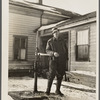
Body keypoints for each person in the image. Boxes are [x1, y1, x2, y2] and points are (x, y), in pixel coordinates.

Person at [45, 27, 68, 96]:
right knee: (51, 75)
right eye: (55, 32)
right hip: (53, 61)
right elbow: (47, 51)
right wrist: (53, 53)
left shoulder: (62, 41)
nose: (56, 33)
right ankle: (47, 91)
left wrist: (66, 59)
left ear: (59, 32)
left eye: (57, 32)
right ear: (53, 33)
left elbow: (66, 51)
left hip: (61, 61)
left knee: (60, 75)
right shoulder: (50, 41)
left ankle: (57, 90)